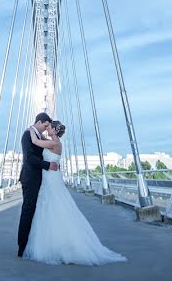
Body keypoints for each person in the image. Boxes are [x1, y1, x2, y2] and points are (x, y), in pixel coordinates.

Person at [23, 120, 127, 265]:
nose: (47, 128)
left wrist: (31, 129)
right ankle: (58, 241)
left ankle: (61, 243)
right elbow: (42, 140)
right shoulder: (54, 141)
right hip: (50, 177)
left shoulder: (54, 144)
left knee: (56, 206)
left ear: (54, 130)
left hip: (52, 179)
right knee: (53, 207)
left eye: (49, 127)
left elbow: (35, 141)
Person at [18, 112, 58, 257]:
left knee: (33, 210)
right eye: (46, 125)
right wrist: (48, 165)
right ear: (40, 122)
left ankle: (29, 244)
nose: (46, 129)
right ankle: (22, 247)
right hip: (30, 178)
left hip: (37, 178)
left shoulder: (37, 135)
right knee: (28, 210)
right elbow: (29, 158)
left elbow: (49, 144)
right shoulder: (27, 134)